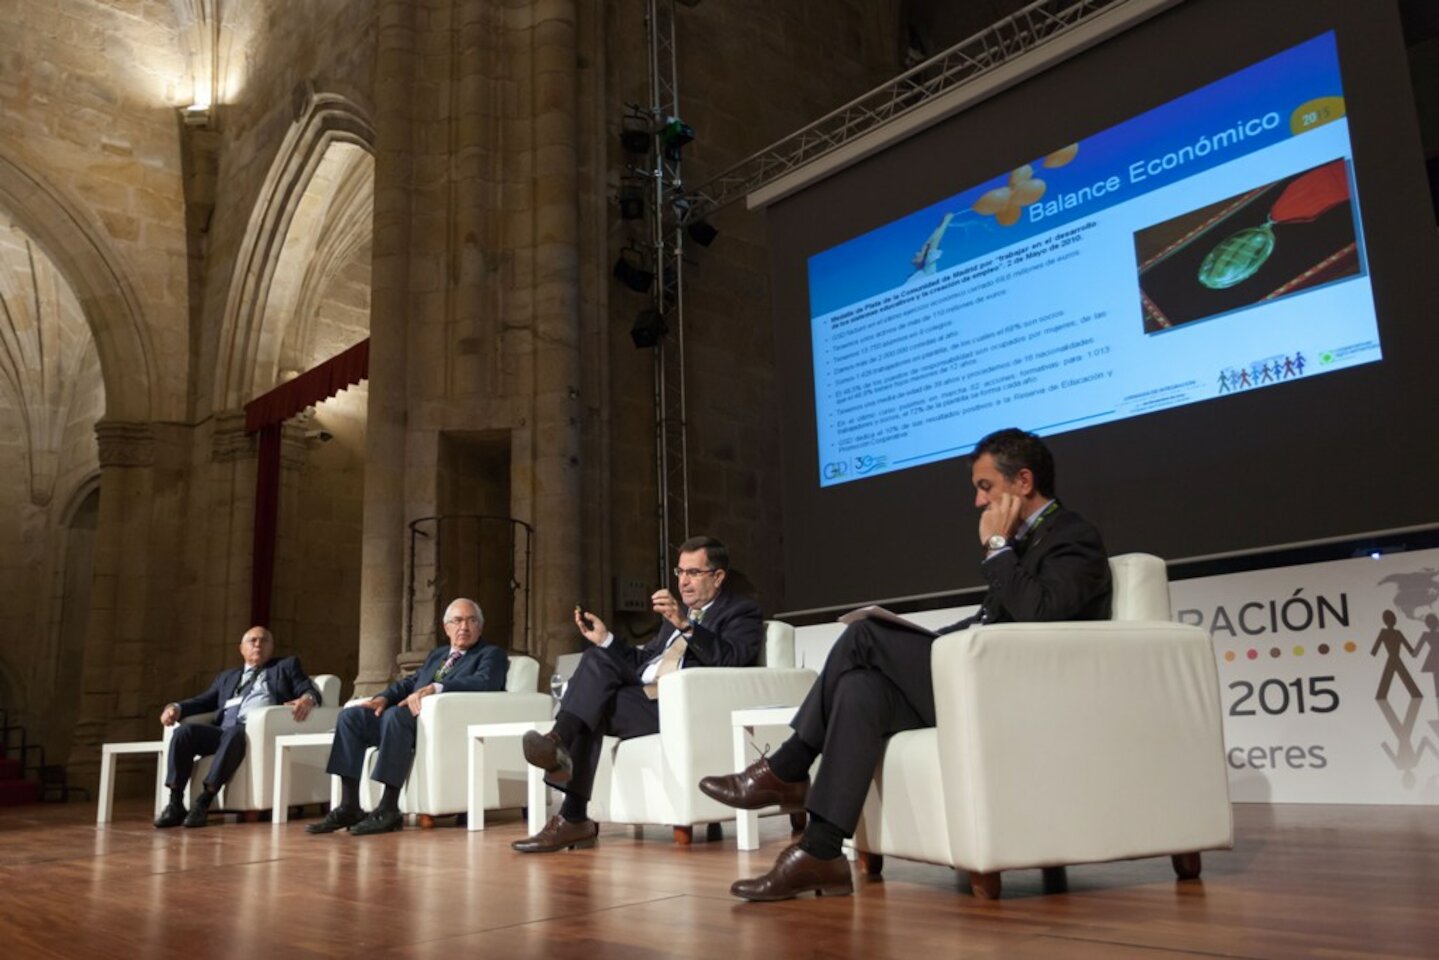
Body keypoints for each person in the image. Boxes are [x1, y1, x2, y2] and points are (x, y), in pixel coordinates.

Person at [702, 428, 1112, 900]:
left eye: (985, 487)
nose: (978, 502)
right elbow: (992, 621)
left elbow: (1040, 615)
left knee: (864, 636)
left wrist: (998, 548)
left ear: (1023, 481)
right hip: (979, 680)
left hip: (1015, 695)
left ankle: (789, 766)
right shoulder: (1022, 544)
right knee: (859, 689)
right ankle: (820, 852)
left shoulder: (1073, 536)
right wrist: (932, 641)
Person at [512, 535, 763, 853]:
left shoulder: (741, 612)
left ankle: (570, 801)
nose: (683, 582)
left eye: (693, 573)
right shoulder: (676, 617)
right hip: (644, 697)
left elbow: (732, 658)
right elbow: (644, 663)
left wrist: (686, 625)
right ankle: (564, 771)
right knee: (596, 659)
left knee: (592, 705)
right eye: (680, 572)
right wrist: (606, 639)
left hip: (680, 708)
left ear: (718, 576)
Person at [308, 597, 507, 836]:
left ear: (480, 627)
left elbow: (485, 682)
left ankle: (388, 808)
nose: (464, 627)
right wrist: (383, 697)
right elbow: (411, 682)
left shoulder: (490, 654)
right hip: (408, 722)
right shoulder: (438, 655)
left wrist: (437, 687)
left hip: (438, 724)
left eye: (471, 621)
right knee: (351, 717)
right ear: (446, 628)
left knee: (395, 716)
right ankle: (349, 806)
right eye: (457, 621)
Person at [155, 626, 322, 829]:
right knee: (184, 732)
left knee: (234, 733)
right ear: (241, 648)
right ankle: (175, 803)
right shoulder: (227, 677)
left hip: (253, 733)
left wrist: (307, 699)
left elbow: (307, 689)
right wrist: (176, 708)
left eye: (264, 640)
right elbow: (204, 701)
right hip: (221, 731)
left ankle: (204, 801)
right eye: (253, 641)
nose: (258, 644)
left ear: (272, 647)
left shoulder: (286, 666)